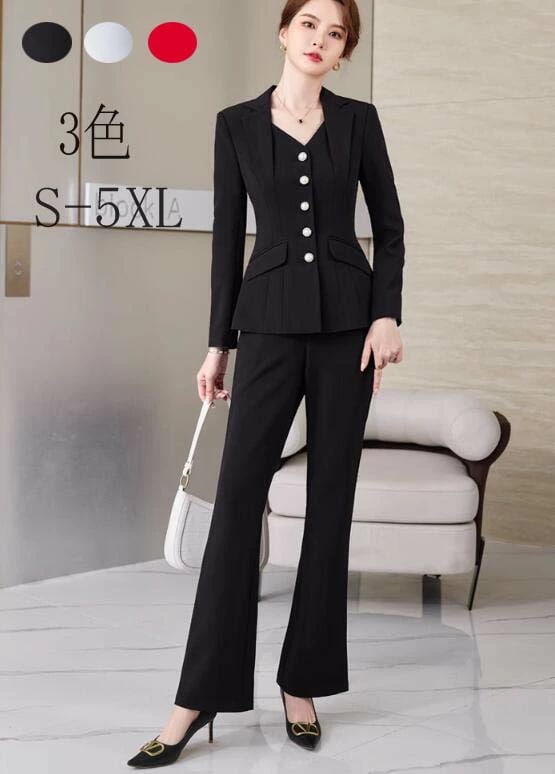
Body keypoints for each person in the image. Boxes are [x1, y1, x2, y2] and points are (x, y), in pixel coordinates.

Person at [127, 0, 404, 766]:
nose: (319, 39)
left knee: (329, 503)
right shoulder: (236, 124)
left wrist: (386, 315)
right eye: (309, 24)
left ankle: (301, 682)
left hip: (349, 333)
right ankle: (198, 696)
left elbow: (389, 227)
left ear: (343, 52)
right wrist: (218, 343)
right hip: (267, 328)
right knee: (237, 503)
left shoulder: (359, 122)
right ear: (284, 32)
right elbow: (227, 239)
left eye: (335, 32)